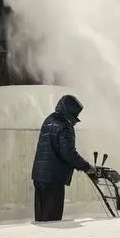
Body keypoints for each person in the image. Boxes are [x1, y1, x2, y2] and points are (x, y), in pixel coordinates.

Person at [31, 94, 95, 222]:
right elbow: (69, 154)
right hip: (53, 178)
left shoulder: (49, 119)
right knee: (52, 220)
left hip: (39, 175)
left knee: (42, 218)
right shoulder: (64, 125)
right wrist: (87, 167)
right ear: (71, 111)